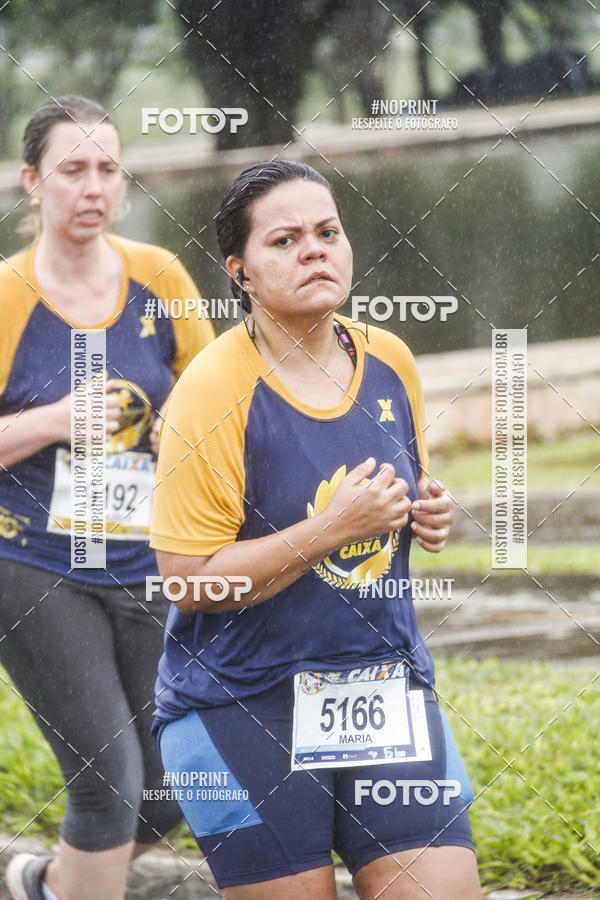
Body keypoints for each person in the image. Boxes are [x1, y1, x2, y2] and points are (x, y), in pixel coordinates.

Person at [150, 160, 482, 899]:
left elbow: (387, 503)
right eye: (286, 240)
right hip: (238, 705)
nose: (315, 250)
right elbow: (190, 582)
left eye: (328, 232)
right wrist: (328, 530)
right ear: (241, 272)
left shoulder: (390, 359)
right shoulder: (211, 390)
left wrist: (425, 513)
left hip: (380, 688)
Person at [0, 95, 214, 900]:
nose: (93, 187)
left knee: (172, 779)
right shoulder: (8, 295)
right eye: (72, 170)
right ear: (32, 181)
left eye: (108, 169)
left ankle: (48, 885)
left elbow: (217, 399)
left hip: (146, 554)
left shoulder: (160, 276)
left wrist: (182, 429)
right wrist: (53, 419)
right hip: (28, 556)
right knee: (108, 780)